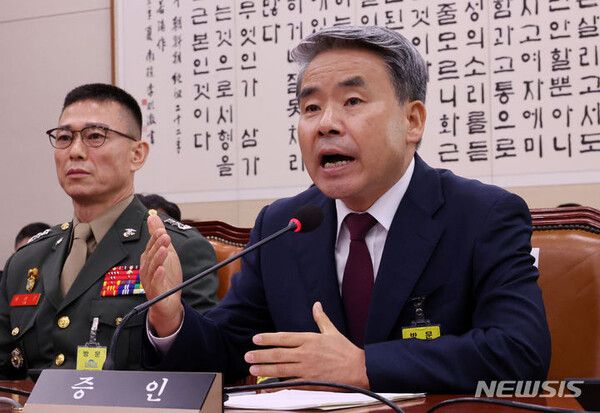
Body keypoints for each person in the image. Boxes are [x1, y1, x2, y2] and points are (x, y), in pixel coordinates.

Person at [140, 26, 551, 392]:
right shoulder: (283, 226)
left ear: (412, 121)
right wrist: (170, 317)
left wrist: (364, 366)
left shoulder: (482, 216)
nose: (326, 124)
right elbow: (231, 350)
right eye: (311, 108)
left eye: (352, 101)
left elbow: (520, 352)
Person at [0, 83, 218, 378]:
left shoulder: (174, 248)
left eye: (95, 136)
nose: (75, 152)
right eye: (64, 138)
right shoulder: (26, 260)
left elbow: (206, 373)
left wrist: (169, 322)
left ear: (137, 154)